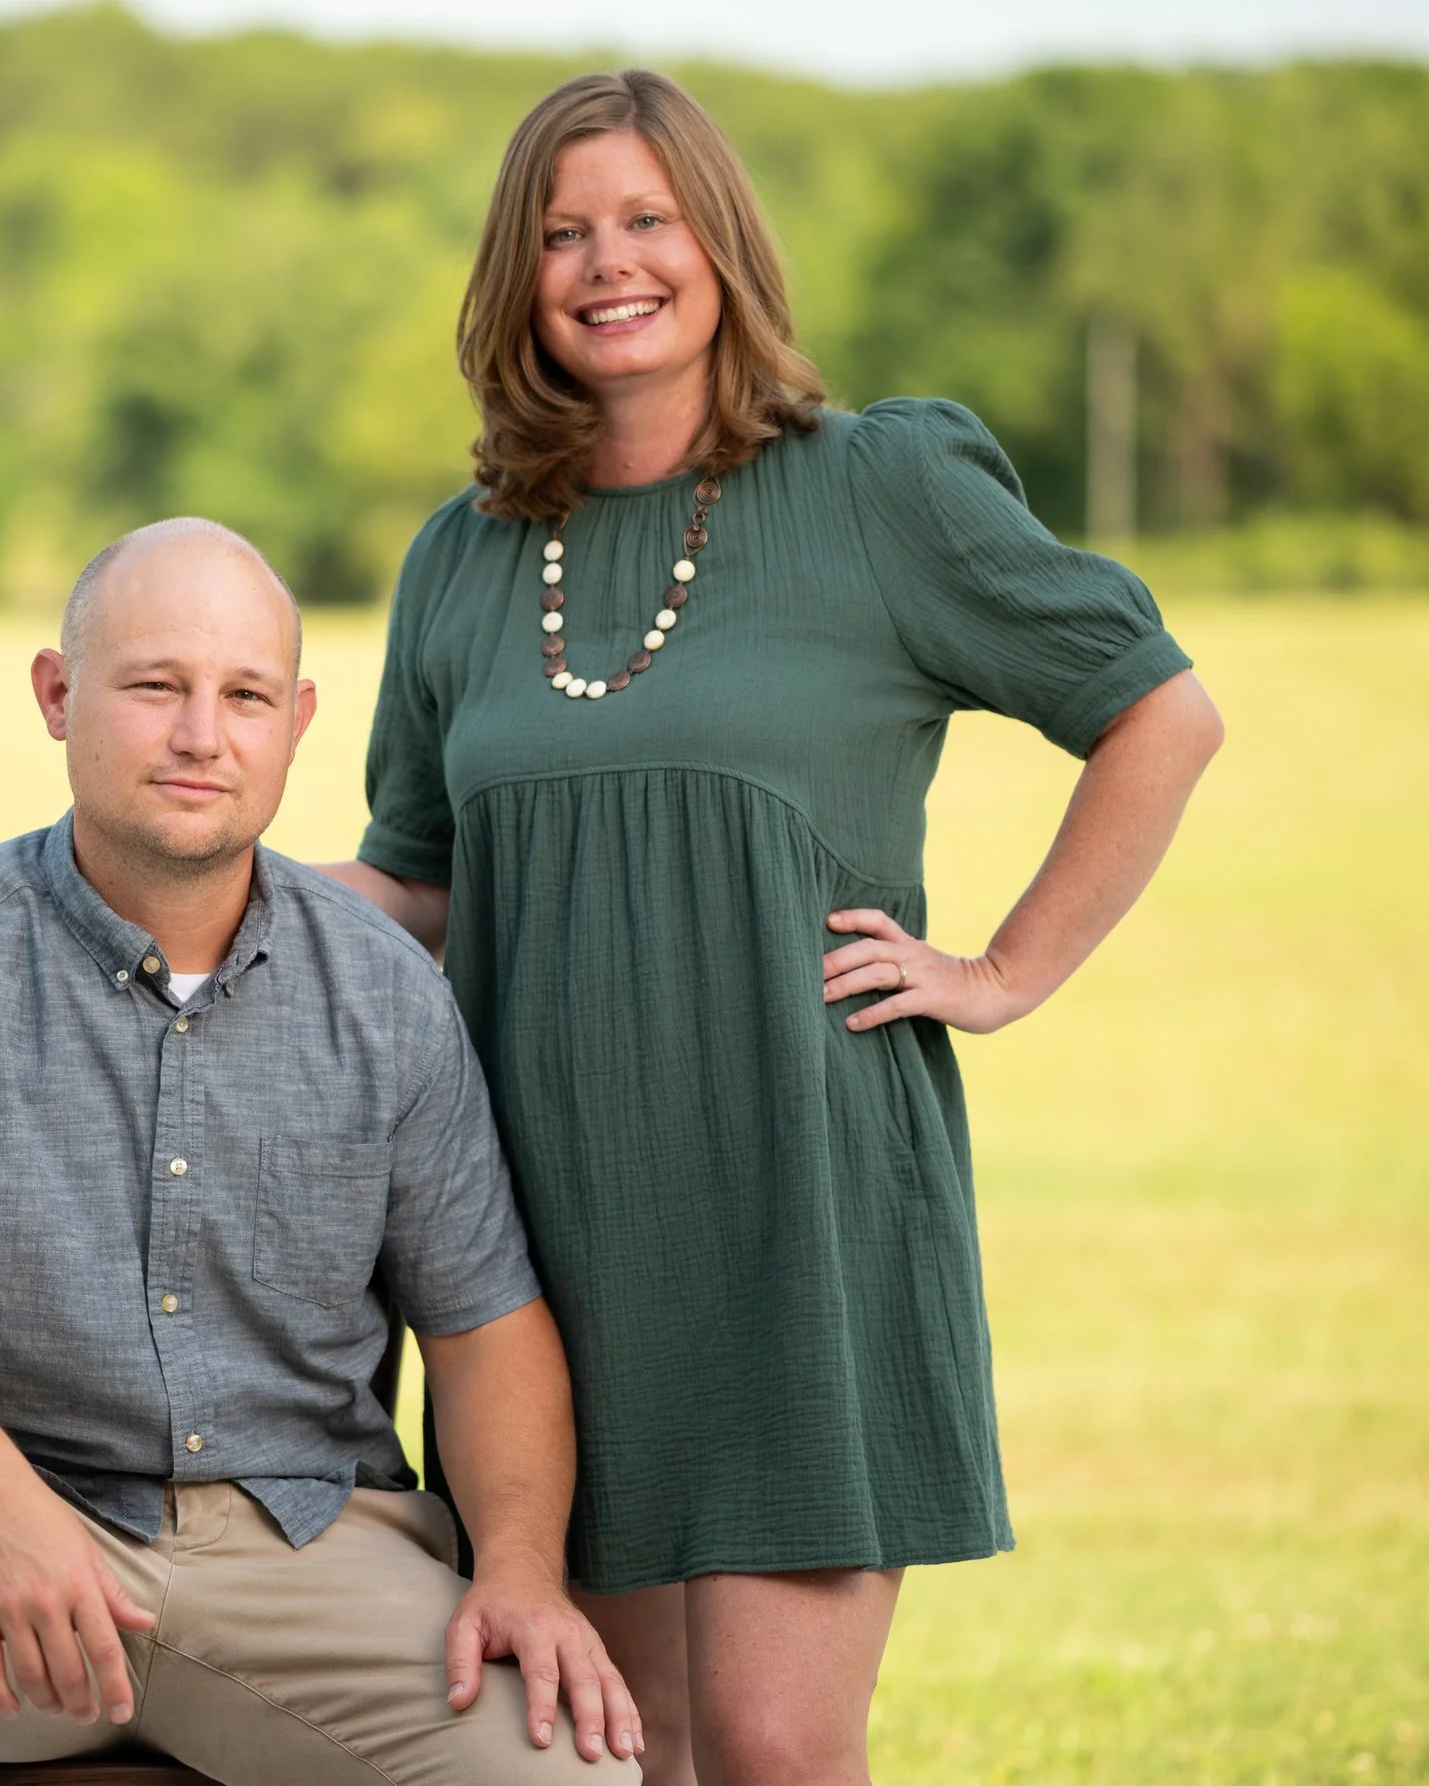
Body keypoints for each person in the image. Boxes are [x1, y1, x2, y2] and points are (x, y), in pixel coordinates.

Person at [323, 70, 1224, 1786]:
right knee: (607, 1750)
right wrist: (172, 893)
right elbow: (420, 881)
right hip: (540, 1241)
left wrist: (1007, 970)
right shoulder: (464, 555)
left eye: (648, 220)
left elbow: (1159, 714)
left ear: (721, 241)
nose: (608, 264)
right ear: (516, 279)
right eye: (562, 234)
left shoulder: (882, 489)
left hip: (797, 1209)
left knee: (769, 1750)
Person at [0, 518, 645, 1785]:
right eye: (154, 685)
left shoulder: (385, 992)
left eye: (243, 696)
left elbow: (484, 1322)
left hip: (304, 1555)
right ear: (57, 696)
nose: (199, 735)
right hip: (16, 1539)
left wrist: (517, 1568)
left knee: (576, 1779)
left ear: (298, 720)